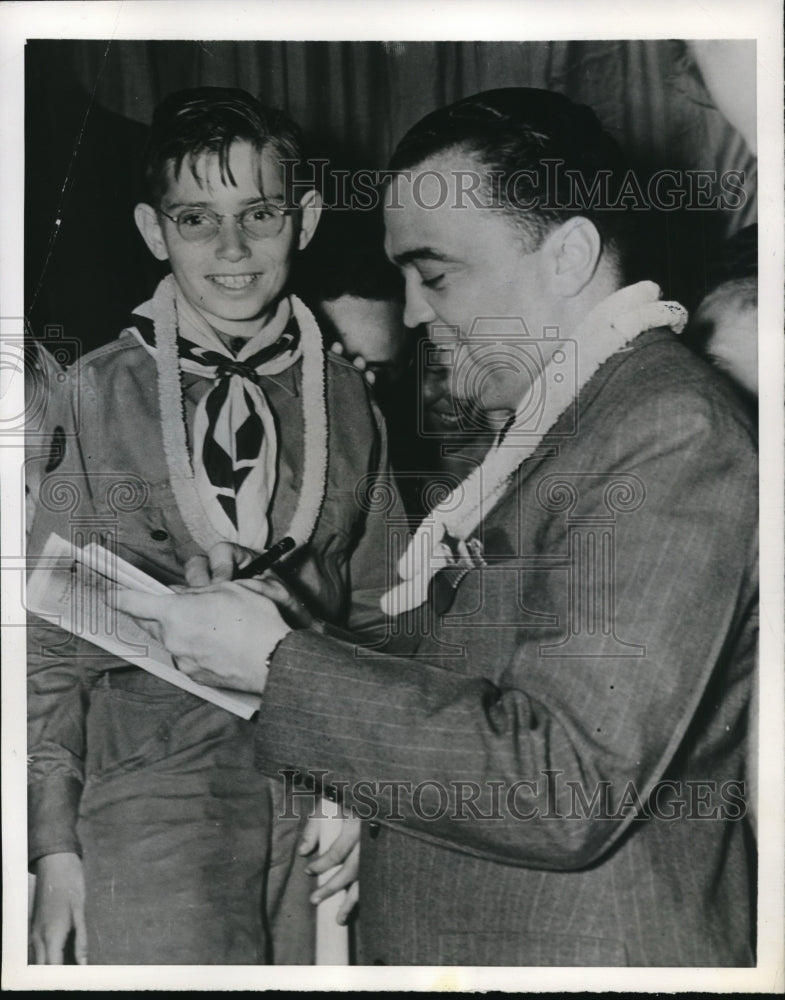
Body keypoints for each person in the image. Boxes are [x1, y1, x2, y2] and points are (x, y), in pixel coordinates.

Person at [119, 88, 758, 966]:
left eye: (437, 273)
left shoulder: (665, 432)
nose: (414, 312)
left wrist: (277, 664)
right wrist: (293, 623)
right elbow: (472, 691)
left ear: (567, 254)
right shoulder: (571, 429)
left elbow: (562, 786)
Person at [26, 87, 400, 964]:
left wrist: (361, 786)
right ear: (155, 233)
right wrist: (54, 849)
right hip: (147, 791)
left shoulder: (348, 400)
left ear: (302, 219)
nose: (232, 249)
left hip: (308, 786)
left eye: (259, 213)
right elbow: (48, 647)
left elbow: (386, 616)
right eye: (197, 219)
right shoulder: (96, 393)